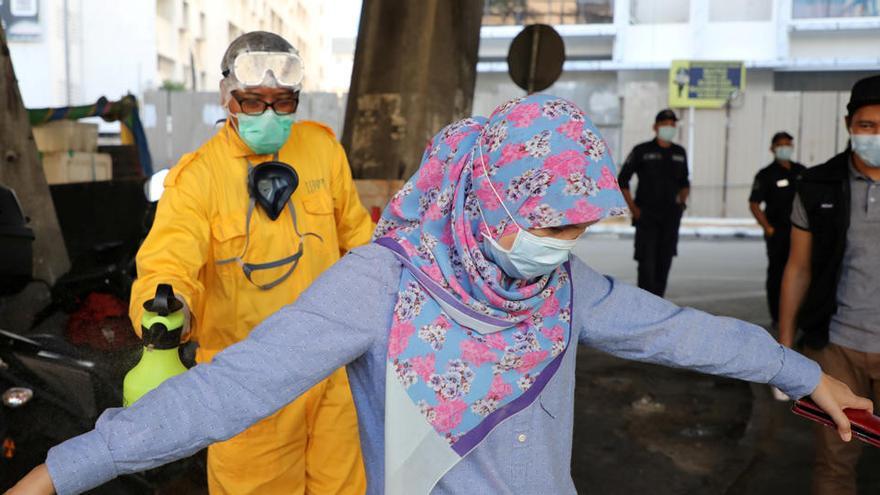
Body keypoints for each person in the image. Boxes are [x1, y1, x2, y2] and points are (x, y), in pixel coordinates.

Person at [9, 95, 870, 495]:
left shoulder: (561, 287)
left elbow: (679, 332)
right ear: (489, 199)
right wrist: (66, 467)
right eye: (550, 225)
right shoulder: (381, 284)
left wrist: (800, 372)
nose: (563, 248)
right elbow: (235, 384)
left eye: (576, 228)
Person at [126, 32, 373, 494]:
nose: (270, 114)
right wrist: (165, 304)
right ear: (227, 99)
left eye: (283, 102)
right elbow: (168, 260)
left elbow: (360, 243)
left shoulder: (322, 150)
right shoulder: (197, 179)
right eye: (253, 102)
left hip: (332, 374)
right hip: (247, 387)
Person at [778, 74, 880, 495]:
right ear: (848, 125)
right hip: (836, 346)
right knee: (834, 462)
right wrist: (783, 349)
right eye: (867, 126)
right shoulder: (818, 184)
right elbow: (798, 268)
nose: (876, 135)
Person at [617, 109, 689, 297]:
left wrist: (682, 201)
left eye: (672, 125)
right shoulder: (641, 151)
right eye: (665, 124)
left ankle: (659, 306)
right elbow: (622, 180)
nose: (669, 128)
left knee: (664, 264)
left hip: (671, 218)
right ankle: (645, 308)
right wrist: (634, 209)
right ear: (655, 127)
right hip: (646, 216)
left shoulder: (679, 153)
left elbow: (684, 182)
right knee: (647, 265)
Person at [748, 131, 806, 329]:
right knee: (777, 274)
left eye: (788, 144)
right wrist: (768, 228)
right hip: (778, 233)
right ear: (772, 148)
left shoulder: (802, 171)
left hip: (800, 233)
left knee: (803, 272)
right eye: (781, 145)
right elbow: (754, 203)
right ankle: (778, 316)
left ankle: (800, 315)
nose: (785, 148)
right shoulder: (766, 175)